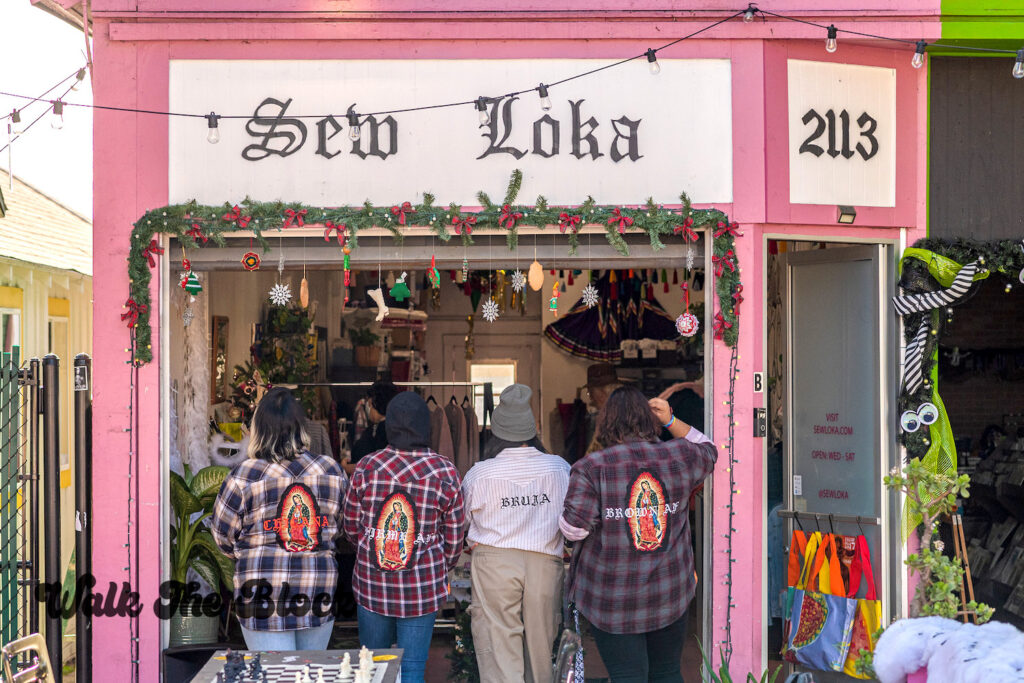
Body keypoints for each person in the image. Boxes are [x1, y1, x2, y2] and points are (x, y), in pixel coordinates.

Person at [559, 386, 717, 683]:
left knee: (626, 675)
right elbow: (709, 448)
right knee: (667, 672)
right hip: (669, 594)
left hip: (613, 599)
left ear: (606, 423)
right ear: (649, 420)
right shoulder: (679, 456)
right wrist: (671, 420)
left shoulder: (592, 467)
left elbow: (574, 529)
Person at [342, 391, 466, 683]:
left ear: (389, 426)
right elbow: (454, 537)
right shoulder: (445, 471)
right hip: (422, 588)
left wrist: (372, 549)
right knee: (411, 670)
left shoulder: (366, 467)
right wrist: (437, 565)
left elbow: (350, 527)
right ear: (427, 426)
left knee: (374, 670)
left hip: (373, 584)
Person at [212, 386, 347, 650]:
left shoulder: (244, 475)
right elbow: (340, 528)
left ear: (259, 429)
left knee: (271, 676)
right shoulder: (332, 471)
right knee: (310, 676)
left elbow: (222, 538)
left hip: (261, 594)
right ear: (301, 427)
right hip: (316, 589)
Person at [462, 385, 571, 683]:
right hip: (544, 562)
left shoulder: (480, 473)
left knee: (499, 647)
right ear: (532, 428)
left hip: (494, 563)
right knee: (541, 649)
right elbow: (571, 516)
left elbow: (462, 520)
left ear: (496, 430)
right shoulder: (559, 468)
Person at [344, 380, 399, 475]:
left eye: (369, 402)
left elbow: (379, 466)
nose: (368, 405)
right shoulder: (391, 428)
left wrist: (347, 468)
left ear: (373, 402)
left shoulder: (384, 430)